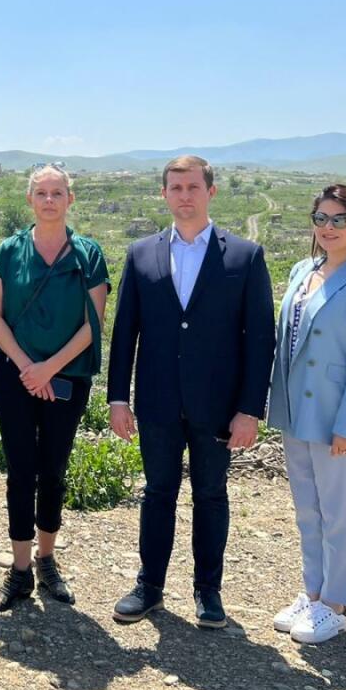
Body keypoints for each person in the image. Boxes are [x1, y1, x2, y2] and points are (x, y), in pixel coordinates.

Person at [107, 155, 275, 629]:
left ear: (210, 192)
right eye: (176, 188)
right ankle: (149, 586)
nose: (184, 196)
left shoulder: (244, 256)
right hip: (158, 401)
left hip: (217, 406)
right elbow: (125, 332)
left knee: (211, 495)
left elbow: (261, 339)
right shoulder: (141, 253)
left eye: (193, 187)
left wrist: (249, 409)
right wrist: (118, 398)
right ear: (164, 194)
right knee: (157, 493)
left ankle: (208, 592)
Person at [268, 184, 346, 644]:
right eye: (320, 218)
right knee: (308, 511)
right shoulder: (303, 270)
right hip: (297, 412)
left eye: (339, 219)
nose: (328, 227)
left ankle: (337, 605)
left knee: (339, 515)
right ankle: (314, 593)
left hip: (337, 417)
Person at [0, 163, 110, 612]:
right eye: (42, 193)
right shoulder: (10, 250)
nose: (50, 200)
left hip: (66, 378)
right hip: (15, 377)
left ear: (70, 199)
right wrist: (26, 367)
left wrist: (48, 368)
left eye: (58, 193)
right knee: (20, 470)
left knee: (53, 470)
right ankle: (19, 570)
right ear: (30, 199)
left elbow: (94, 323)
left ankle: (46, 559)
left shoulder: (88, 254)